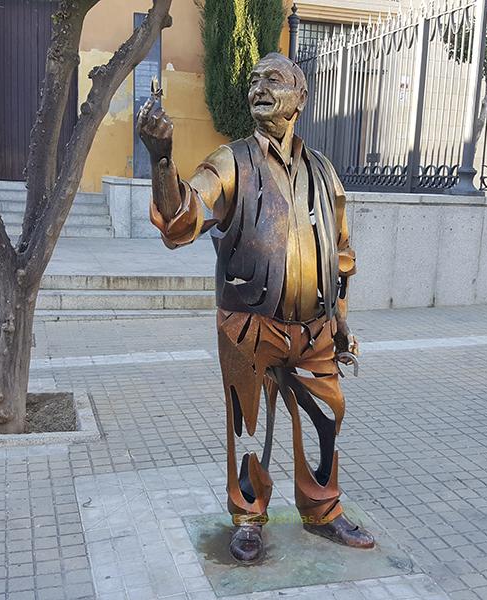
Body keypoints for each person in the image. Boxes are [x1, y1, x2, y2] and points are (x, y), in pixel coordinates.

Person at [137, 52, 374, 563]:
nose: (258, 88)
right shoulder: (230, 161)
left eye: (273, 80)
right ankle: (248, 516)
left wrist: (341, 322)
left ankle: (322, 510)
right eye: (253, 80)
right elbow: (182, 221)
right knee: (248, 427)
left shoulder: (325, 172)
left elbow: (343, 254)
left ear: (301, 98)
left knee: (327, 417)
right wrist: (162, 159)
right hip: (249, 327)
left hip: (314, 332)